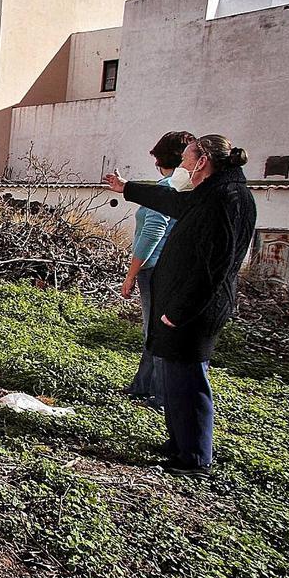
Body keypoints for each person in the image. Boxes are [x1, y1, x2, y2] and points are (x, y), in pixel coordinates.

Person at [104, 135, 257, 477]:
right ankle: (178, 444)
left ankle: (194, 457)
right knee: (173, 380)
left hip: (193, 311)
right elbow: (171, 203)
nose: (182, 167)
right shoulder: (211, 193)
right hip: (179, 305)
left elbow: (214, 266)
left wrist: (180, 310)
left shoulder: (227, 199)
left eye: (187, 160)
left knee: (188, 382)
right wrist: (127, 188)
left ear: (203, 161)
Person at [121, 131, 196, 408]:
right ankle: (143, 386)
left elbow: (152, 232)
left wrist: (131, 274)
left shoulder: (169, 188)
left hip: (155, 269)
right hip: (169, 268)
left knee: (156, 333)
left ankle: (159, 394)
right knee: (155, 331)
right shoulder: (185, 188)